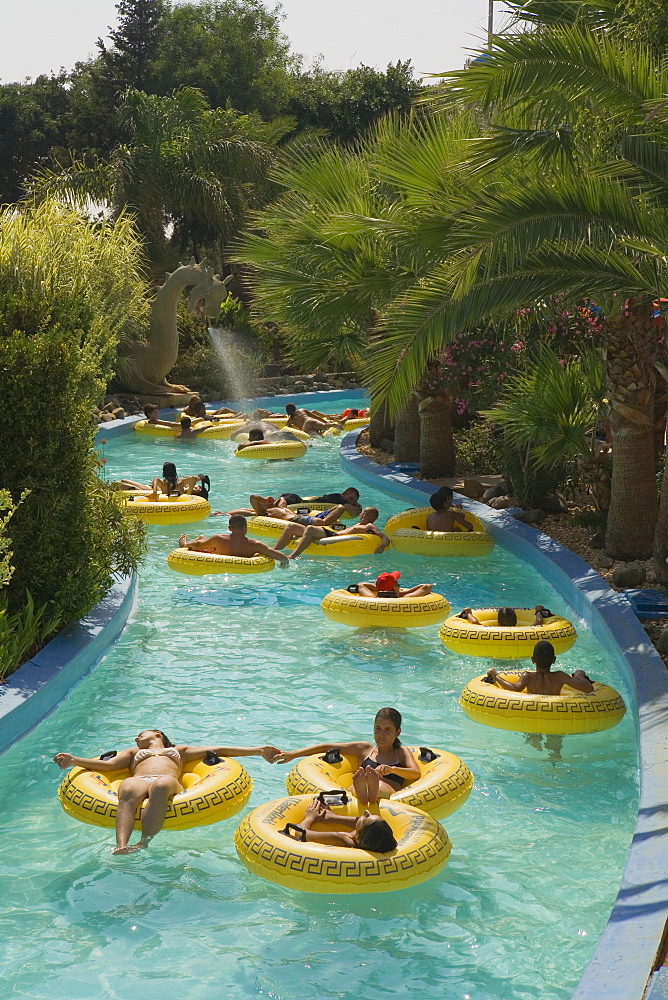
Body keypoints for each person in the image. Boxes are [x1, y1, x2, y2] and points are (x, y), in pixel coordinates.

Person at [53, 728, 281, 854]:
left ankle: (143, 842)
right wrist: (74, 760)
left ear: (157, 734)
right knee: (129, 788)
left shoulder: (179, 751)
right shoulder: (133, 752)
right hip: (140, 778)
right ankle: (121, 845)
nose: (136, 738)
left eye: (140, 734)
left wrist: (259, 750)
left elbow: (219, 749)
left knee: (161, 786)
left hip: (168, 780)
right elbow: (110, 767)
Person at [275, 707, 421, 804]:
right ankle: (364, 787)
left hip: (388, 791)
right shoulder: (364, 749)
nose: (381, 735)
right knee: (354, 786)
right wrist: (293, 754)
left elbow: (415, 773)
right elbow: (327, 747)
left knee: (381, 786)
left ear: (398, 732)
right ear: (373, 729)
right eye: (378, 729)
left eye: (388, 730)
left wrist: (392, 769)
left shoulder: (401, 753)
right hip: (358, 791)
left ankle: (370, 787)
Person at [282, 796, 397, 852]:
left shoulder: (342, 839)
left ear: (358, 836)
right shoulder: (364, 838)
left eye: (365, 818)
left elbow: (300, 833)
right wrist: (334, 818)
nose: (366, 812)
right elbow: (359, 824)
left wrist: (310, 817)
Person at [273, 506, 390, 560]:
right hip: (332, 532)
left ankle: (292, 556)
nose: (364, 515)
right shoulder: (357, 525)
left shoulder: (369, 526)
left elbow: (385, 538)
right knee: (291, 526)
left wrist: (381, 545)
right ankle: (274, 551)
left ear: (373, 518)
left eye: (368, 514)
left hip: (334, 536)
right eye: (363, 512)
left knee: (310, 529)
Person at [484, 640, 595, 696]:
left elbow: (514, 688)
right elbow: (588, 688)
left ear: (533, 660)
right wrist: (579, 674)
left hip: (533, 713)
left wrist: (496, 676)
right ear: (554, 660)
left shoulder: (527, 676)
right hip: (554, 713)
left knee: (533, 738)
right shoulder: (560, 676)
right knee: (555, 739)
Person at [179, 514, 290, 566]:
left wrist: (184, 544)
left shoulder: (218, 539)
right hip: (243, 565)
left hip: (219, 563)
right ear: (246, 527)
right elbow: (283, 558)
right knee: (203, 539)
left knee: (202, 538)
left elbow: (198, 545)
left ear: (229, 529)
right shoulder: (255, 545)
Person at [220, 487, 361, 519]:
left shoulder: (343, 500)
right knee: (276, 507)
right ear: (346, 493)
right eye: (351, 498)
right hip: (297, 500)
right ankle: (273, 505)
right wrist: (354, 505)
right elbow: (355, 511)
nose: (353, 501)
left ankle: (226, 513)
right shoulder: (341, 499)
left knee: (258, 512)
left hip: (299, 501)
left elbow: (356, 511)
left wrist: (355, 504)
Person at [119, 463, 210, 500]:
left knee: (122, 483)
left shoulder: (166, 482)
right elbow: (192, 479)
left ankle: (134, 489)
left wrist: (155, 489)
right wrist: (195, 482)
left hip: (151, 490)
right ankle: (135, 489)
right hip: (156, 490)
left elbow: (156, 479)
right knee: (123, 481)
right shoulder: (182, 483)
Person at [357, 571, 432, 599]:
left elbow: (360, 585)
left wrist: (382, 588)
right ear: (395, 587)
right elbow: (427, 587)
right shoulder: (403, 598)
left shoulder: (372, 598)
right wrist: (402, 593)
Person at [458, 605, 553, 627]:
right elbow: (539, 622)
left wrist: (468, 613)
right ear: (516, 622)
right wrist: (538, 610)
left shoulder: (491, 631)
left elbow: (474, 622)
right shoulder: (524, 630)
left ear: (498, 622)